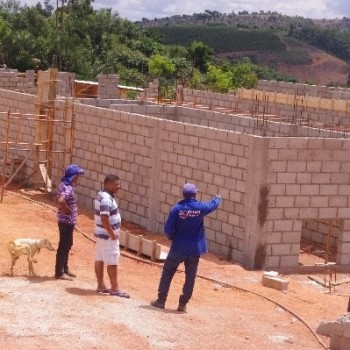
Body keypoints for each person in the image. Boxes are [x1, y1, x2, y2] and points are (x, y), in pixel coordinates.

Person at [151, 183, 221, 312]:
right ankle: (182, 304)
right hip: (194, 249)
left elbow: (168, 229)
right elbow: (212, 205)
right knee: (190, 277)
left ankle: (161, 301)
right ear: (195, 194)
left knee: (168, 272)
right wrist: (217, 198)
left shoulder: (177, 209)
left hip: (178, 247)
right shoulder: (200, 208)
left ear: (183, 194)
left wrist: (173, 238)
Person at [93, 174, 130, 298]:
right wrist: (112, 233)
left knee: (100, 259)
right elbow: (104, 218)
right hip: (107, 236)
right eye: (116, 184)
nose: (118, 187)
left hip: (101, 235)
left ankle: (101, 285)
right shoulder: (106, 200)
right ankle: (115, 288)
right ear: (108, 184)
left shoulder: (101, 195)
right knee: (112, 261)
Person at [55, 164, 84, 280]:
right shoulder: (68, 188)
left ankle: (65, 268)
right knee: (64, 245)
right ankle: (59, 272)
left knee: (67, 244)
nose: (78, 178)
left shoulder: (63, 185)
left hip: (65, 221)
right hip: (66, 222)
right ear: (73, 176)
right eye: (77, 175)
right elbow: (61, 200)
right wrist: (68, 210)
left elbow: (57, 199)